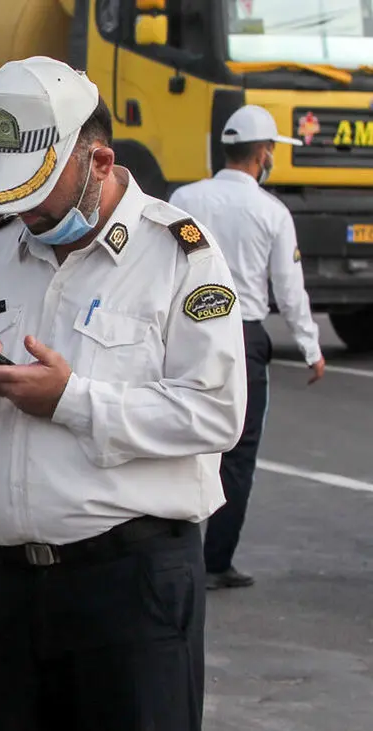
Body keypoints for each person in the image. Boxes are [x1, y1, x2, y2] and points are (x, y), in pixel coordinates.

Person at [0, 56, 247, 730]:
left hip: (130, 590)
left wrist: (69, 399)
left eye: (38, 194)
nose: (24, 213)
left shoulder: (180, 254)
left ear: (98, 162)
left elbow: (217, 412)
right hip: (5, 595)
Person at [169, 105, 325, 590]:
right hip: (244, 333)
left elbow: (167, 262)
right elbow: (289, 287)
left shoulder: (184, 198)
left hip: (187, 326)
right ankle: (215, 562)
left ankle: (171, 550)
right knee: (236, 450)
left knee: (176, 437)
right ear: (263, 153)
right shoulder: (272, 212)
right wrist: (310, 346)